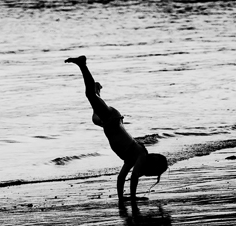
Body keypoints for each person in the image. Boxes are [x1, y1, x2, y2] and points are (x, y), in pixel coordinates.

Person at [65, 56, 168, 200]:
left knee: (95, 118)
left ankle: (97, 91)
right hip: (112, 120)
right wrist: (132, 197)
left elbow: (121, 178)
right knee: (90, 95)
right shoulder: (141, 156)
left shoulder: (131, 159)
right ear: (153, 163)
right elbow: (133, 178)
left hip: (108, 123)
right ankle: (82, 64)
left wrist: (121, 198)